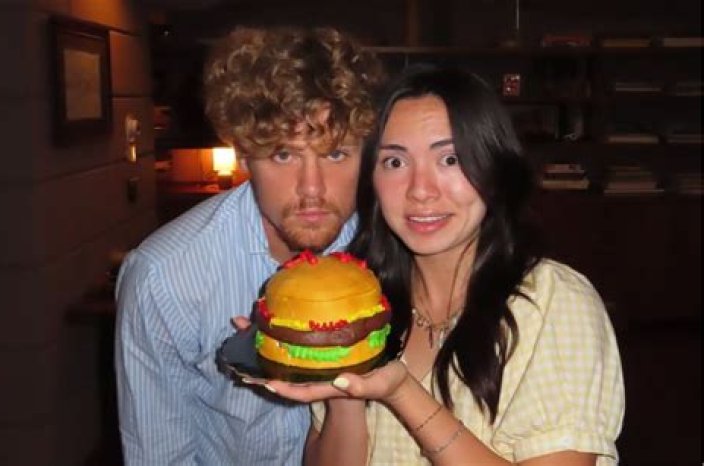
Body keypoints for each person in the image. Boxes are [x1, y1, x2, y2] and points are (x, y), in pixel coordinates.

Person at [266, 64, 625, 465]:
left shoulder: (554, 303)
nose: (420, 191)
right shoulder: (362, 306)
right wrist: (346, 390)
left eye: (450, 159)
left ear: (493, 168)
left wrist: (401, 392)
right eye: (395, 162)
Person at [114, 26, 385, 465]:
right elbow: (160, 456)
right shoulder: (164, 278)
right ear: (242, 154)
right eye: (283, 154)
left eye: (335, 153)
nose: (312, 188)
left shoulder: (390, 250)